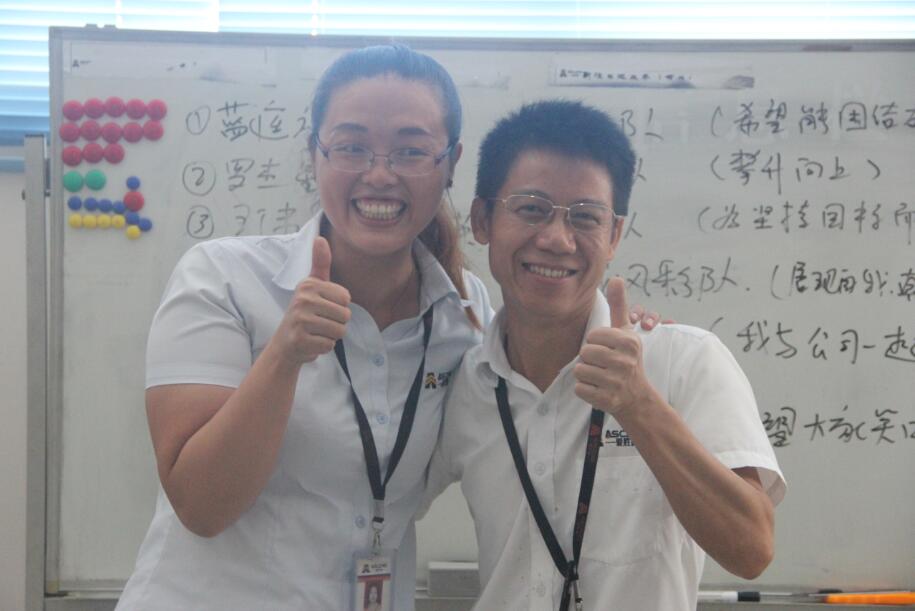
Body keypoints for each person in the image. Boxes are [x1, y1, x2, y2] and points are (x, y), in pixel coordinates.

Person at [116, 45, 660, 611]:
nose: (379, 175)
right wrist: (284, 356)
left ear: (450, 163)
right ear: (314, 153)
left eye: (411, 151)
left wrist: (635, 328)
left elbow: (539, 376)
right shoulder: (225, 278)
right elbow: (201, 506)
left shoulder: (466, 313)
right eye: (351, 147)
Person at [424, 100, 786, 611]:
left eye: (585, 217)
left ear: (614, 235)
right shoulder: (464, 382)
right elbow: (380, 498)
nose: (556, 239)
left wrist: (639, 405)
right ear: (482, 220)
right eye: (531, 208)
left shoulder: (684, 361)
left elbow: (751, 549)